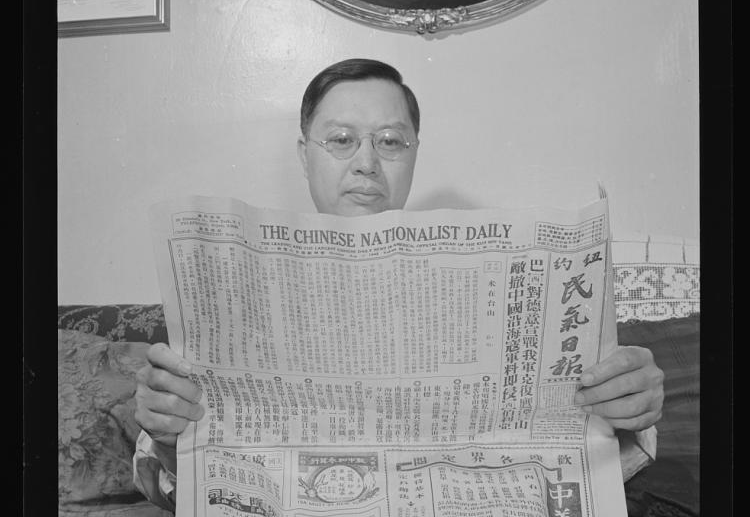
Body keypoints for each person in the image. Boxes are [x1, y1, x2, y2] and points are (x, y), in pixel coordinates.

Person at [133, 58, 665, 512]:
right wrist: (164, 430)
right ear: (304, 154)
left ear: (413, 154)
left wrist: (628, 412)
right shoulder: (228, 285)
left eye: (390, 141)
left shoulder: (488, 282)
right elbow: (172, 482)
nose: (366, 163)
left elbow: (587, 460)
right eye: (340, 140)